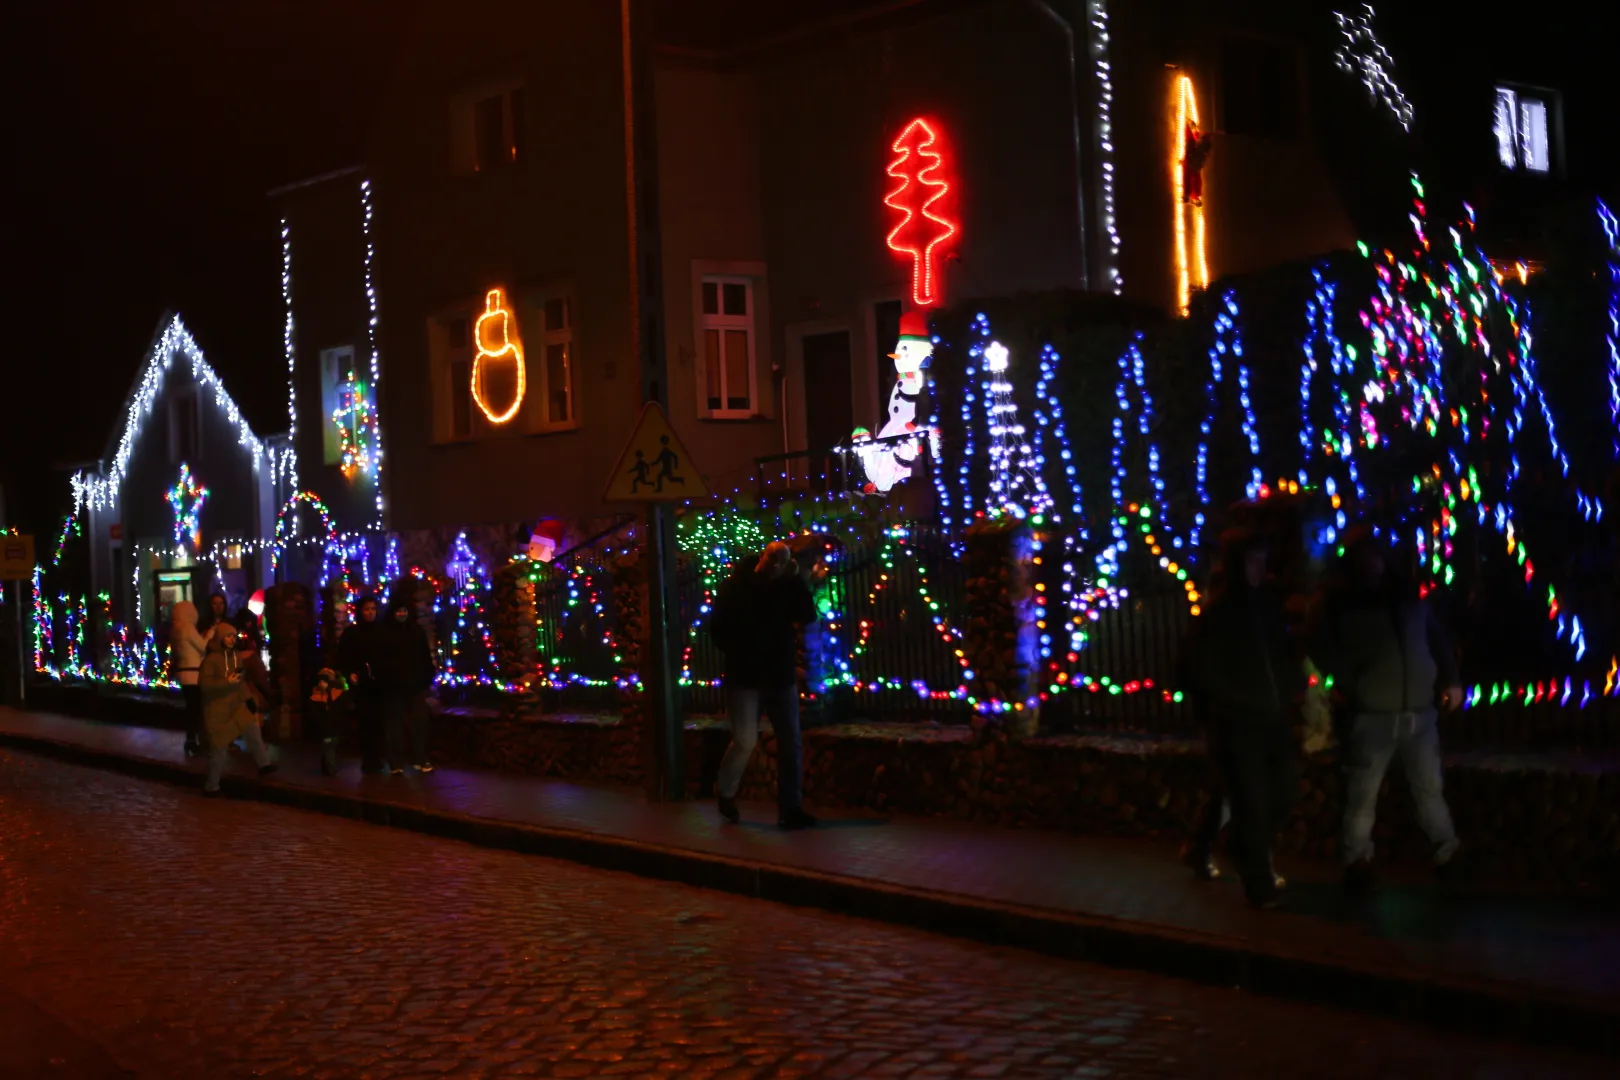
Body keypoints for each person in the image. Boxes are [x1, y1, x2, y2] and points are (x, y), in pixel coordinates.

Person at [1310, 528, 1462, 894]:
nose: (1371, 563)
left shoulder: (1405, 597)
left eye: (1374, 555)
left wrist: (1451, 678)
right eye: (1364, 557)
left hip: (1416, 711)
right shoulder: (1339, 602)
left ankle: (1447, 854)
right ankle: (1358, 861)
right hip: (1373, 713)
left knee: (1426, 790)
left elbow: (1437, 638)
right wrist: (1353, 685)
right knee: (1364, 794)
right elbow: (1322, 647)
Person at [1183, 529, 1302, 908]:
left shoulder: (1267, 606)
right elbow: (1196, 668)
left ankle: (1223, 846)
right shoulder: (1218, 613)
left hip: (1271, 717)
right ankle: (1257, 883)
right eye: (1252, 560)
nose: (1259, 567)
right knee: (1250, 803)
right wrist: (1231, 701)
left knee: (1282, 793)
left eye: (1262, 560)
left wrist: (1289, 687)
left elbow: (1283, 653)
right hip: (1236, 723)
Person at [708, 541, 819, 830]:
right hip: (745, 676)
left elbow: (807, 614)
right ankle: (726, 791)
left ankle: (790, 809)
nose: (775, 566)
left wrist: (795, 581)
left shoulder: (785, 587)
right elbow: (718, 628)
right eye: (772, 559)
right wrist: (741, 651)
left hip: (779, 676)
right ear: (763, 557)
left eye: (782, 562)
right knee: (745, 739)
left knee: (791, 742)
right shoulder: (735, 586)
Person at [199, 618, 276, 795]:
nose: (232, 639)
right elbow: (205, 686)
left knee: (252, 728)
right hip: (218, 711)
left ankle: (264, 764)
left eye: (234, 636)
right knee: (219, 750)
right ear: (220, 638)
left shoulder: (235, 657)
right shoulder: (211, 660)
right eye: (228, 636)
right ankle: (211, 786)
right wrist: (226, 682)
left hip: (235, 706)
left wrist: (248, 699)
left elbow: (240, 683)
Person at [336, 595, 389, 773]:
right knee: (366, 722)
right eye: (367, 609)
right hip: (362, 684)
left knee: (380, 722)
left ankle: (378, 757)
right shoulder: (352, 633)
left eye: (373, 609)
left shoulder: (381, 631)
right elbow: (343, 656)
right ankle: (369, 759)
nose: (370, 613)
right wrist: (351, 673)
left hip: (380, 683)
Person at [384, 597, 437, 774]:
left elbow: (424, 655)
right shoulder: (387, 632)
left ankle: (419, 757)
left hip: (416, 684)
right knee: (395, 726)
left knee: (419, 723)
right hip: (394, 685)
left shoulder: (416, 631)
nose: (401, 614)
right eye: (399, 611)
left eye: (404, 611)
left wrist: (427, 676)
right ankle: (396, 761)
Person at [170, 601, 209, 757]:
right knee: (196, 710)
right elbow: (202, 647)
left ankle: (191, 739)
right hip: (194, 674)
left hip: (183, 673)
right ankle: (194, 741)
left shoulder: (175, 630)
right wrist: (209, 634)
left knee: (191, 709)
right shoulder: (188, 627)